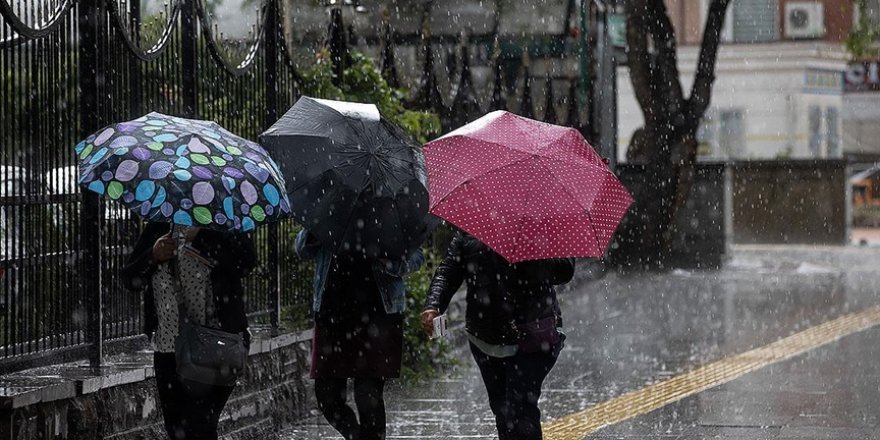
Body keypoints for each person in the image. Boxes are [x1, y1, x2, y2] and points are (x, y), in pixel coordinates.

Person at [421, 230, 575, 440]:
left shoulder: (542, 223)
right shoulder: (472, 228)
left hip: (533, 334)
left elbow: (566, 269)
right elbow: (449, 270)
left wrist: (530, 256)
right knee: (502, 412)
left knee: (520, 410)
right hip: (485, 336)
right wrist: (434, 304)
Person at [121, 222, 256, 440]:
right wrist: (153, 255)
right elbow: (130, 279)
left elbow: (246, 263)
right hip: (168, 348)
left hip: (215, 345)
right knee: (177, 429)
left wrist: (202, 236)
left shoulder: (224, 221)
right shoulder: (161, 224)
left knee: (200, 424)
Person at [295, 229, 424, 440]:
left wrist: (390, 262)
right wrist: (315, 229)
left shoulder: (388, 207)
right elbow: (302, 250)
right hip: (332, 315)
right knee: (327, 397)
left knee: (368, 397)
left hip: (378, 316)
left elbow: (417, 256)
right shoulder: (330, 205)